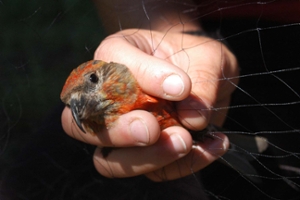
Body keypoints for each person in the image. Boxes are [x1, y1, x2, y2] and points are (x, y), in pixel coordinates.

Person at [61, 0, 239, 181]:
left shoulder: (150, 76)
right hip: (202, 149)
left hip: (232, 39)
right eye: (71, 104)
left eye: (92, 80)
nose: (77, 104)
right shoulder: (104, 123)